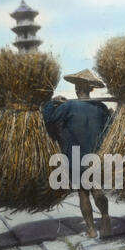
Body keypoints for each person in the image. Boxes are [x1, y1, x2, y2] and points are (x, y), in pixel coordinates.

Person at [42, 69, 112, 238]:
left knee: (83, 192)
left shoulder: (68, 106)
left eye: (77, 86)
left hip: (75, 155)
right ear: (91, 89)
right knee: (96, 188)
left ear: (81, 89)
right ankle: (105, 216)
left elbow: (49, 119)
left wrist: (51, 103)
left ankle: (90, 229)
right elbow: (109, 128)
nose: (76, 89)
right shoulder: (101, 107)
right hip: (96, 155)